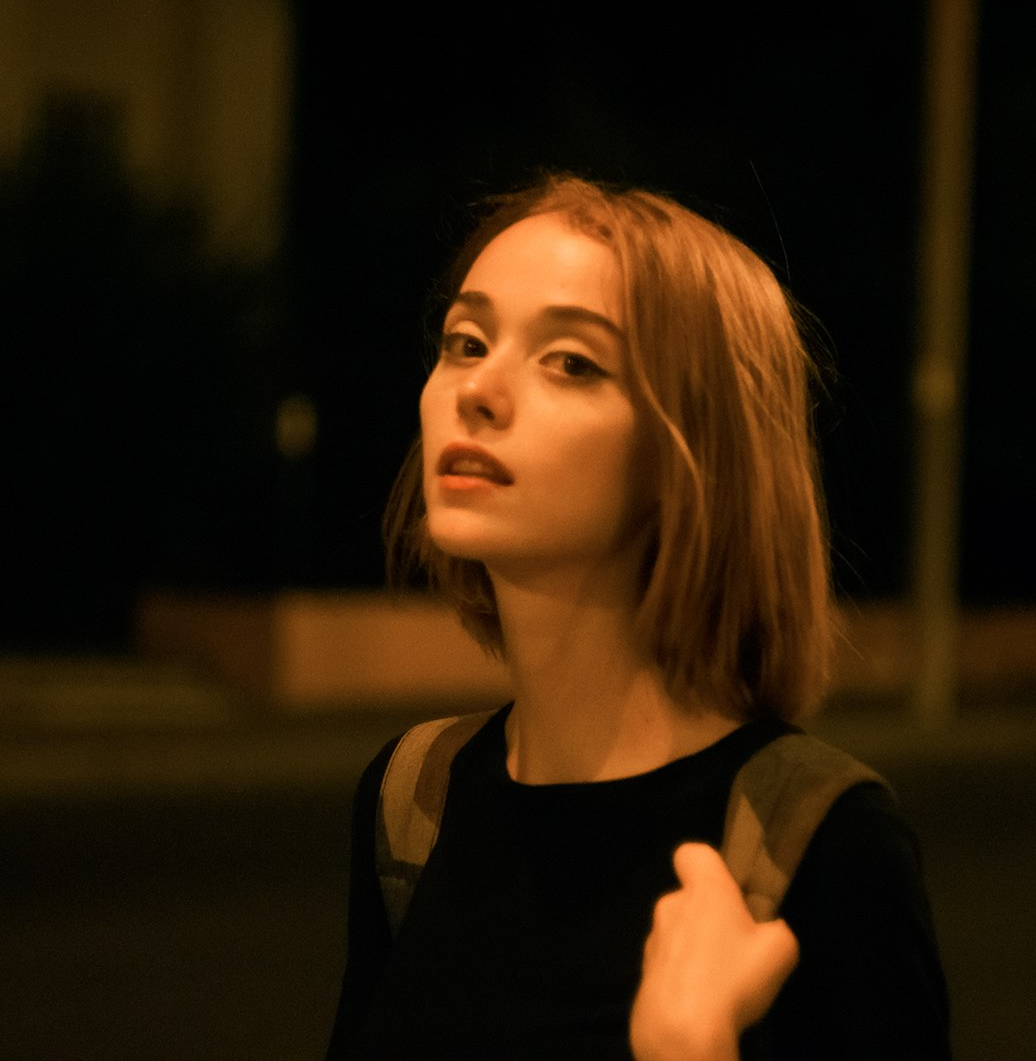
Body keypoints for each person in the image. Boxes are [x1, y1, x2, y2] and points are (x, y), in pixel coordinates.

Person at [327, 174, 950, 1059]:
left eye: (571, 361)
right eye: (466, 341)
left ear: (693, 452)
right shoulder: (411, 801)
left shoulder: (823, 847)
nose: (478, 389)